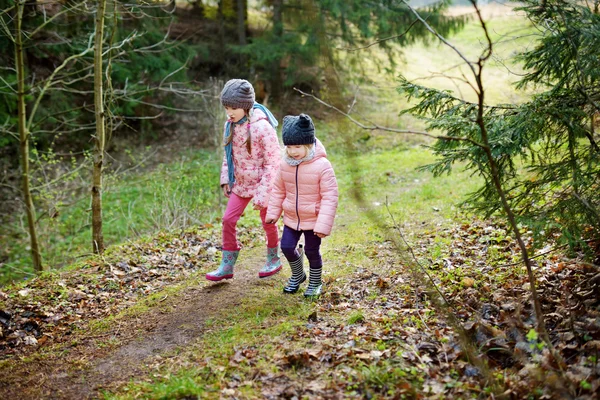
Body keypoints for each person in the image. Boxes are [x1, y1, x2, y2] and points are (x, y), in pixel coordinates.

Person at [206, 79, 283, 281]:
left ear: (245, 106)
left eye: (233, 108)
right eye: (226, 108)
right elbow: (228, 154)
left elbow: (273, 163)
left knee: (268, 222)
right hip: (240, 183)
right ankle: (227, 263)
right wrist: (226, 179)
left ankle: (273, 257)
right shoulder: (229, 125)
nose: (229, 112)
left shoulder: (262, 127)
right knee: (228, 220)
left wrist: (263, 193)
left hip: (262, 184)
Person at [266, 114, 338, 297]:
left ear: (308, 144)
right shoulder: (285, 165)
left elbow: (330, 197)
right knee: (287, 247)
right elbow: (278, 190)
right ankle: (298, 275)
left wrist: (323, 225)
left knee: (312, 250)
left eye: (297, 146)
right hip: (291, 217)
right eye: (289, 147)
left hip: (313, 219)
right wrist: (273, 212)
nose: (292, 151)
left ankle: (315, 282)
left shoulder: (322, 166)